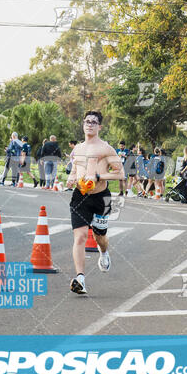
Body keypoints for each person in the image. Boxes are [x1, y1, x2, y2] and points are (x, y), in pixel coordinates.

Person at [66, 110, 124, 295]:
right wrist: (71, 178)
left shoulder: (106, 148)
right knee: (80, 237)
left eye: (93, 122)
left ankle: (104, 253)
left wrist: (99, 175)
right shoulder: (78, 149)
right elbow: (75, 169)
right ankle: (80, 279)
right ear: (83, 125)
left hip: (102, 197)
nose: (89, 124)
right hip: (80, 196)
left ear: (99, 126)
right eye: (87, 121)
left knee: (100, 237)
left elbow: (120, 173)